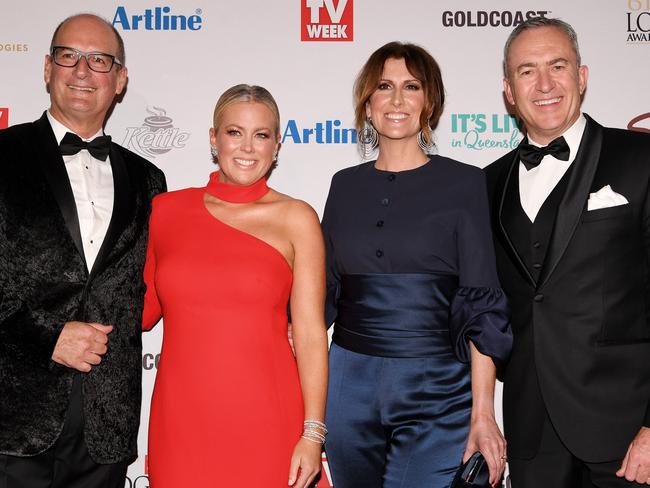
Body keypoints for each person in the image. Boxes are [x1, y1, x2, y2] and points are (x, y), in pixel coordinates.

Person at [321, 41, 512, 488]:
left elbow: (481, 303)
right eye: (384, 87)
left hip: (437, 390)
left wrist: (483, 413)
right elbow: (322, 293)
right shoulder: (343, 185)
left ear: (430, 102)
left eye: (412, 86)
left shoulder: (465, 183)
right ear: (368, 104)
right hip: (348, 387)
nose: (398, 100)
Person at [0, 13, 166, 488]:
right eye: (69, 56)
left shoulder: (149, 181)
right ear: (48, 68)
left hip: (105, 427)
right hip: (12, 420)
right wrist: (47, 335)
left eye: (99, 60)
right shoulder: (4, 155)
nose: (82, 71)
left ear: (121, 79)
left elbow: (160, 287)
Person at [485, 16, 650, 488]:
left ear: (582, 76)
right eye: (527, 71)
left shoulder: (640, 159)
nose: (544, 84)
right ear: (509, 91)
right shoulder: (487, 183)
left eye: (558, 66)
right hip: (531, 430)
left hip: (625, 431)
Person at [142, 84, 329, 487]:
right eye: (234, 132)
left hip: (267, 416)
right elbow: (135, 310)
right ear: (214, 138)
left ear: (277, 144)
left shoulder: (296, 218)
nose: (247, 147)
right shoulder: (166, 211)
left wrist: (312, 434)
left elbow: (312, 334)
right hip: (181, 421)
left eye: (261, 135)